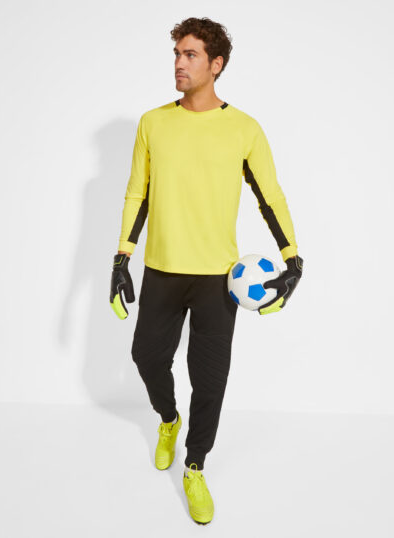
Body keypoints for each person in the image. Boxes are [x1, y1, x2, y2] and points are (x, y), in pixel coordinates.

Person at [110, 17, 304, 525]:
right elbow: (137, 194)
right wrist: (121, 257)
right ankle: (168, 419)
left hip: (219, 279)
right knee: (146, 356)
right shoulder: (153, 123)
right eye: (177, 53)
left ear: (216, 64)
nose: (179, 62)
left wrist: (293, 259)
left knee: (210, 379)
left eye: (190, 54)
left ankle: (195, 465)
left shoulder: (244, 129)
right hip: (162, 269)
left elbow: (270, 196)